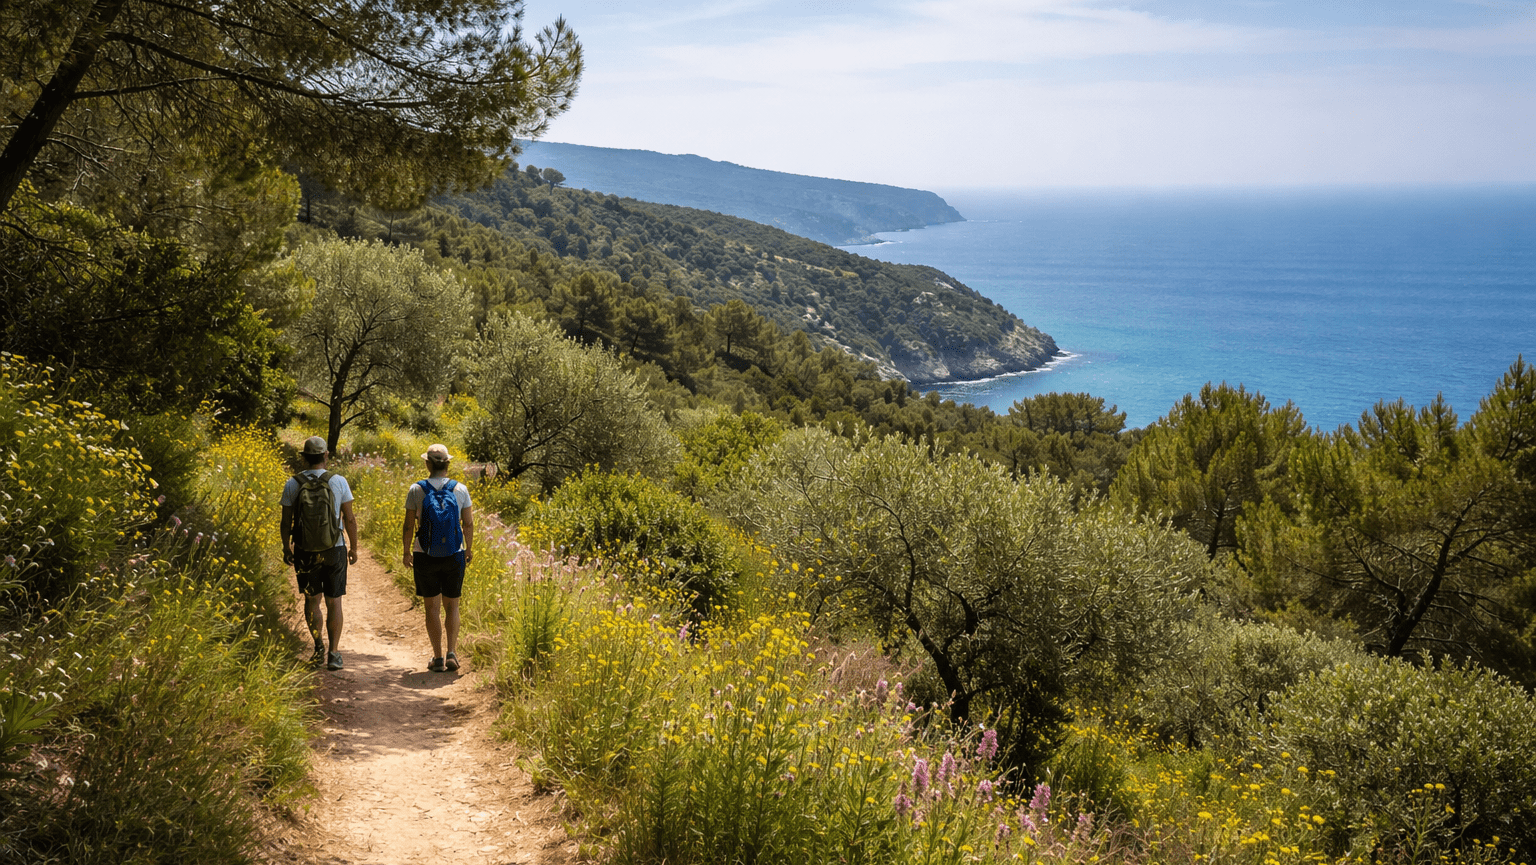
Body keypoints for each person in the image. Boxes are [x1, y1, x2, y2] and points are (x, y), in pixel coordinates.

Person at [280, 436, 358, 671]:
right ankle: (334, 653)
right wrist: (354, 547)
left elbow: (286, 521)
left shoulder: (293, 483)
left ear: (304, 457)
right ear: (326, 455)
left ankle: (318, 648)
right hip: (334, 548)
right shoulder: (338, 481)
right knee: (334, 601)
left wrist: (286, 547)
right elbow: (350, 518)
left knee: (312, 600)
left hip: (305, 550)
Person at [402, 443, 475, 672]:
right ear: (447, 464)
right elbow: (468, 523)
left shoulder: (416, 489)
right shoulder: (460, 489)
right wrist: (469, 549)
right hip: (454, 552)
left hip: (424, 554)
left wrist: (406, 551)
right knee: (452, 606)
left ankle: (437, 657)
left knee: (431, 607)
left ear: (427, 464)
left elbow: (408, 525)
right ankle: (452, 652)